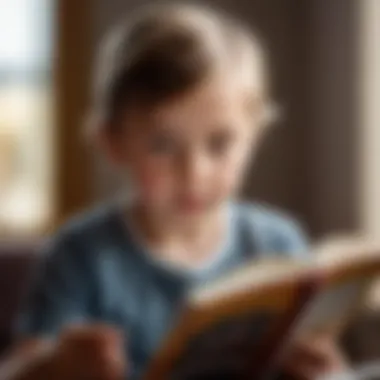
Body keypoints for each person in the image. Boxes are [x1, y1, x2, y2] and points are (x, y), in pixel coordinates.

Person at [0, 3, 346, 380]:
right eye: (163, 145)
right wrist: (55, 366)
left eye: (219, 144)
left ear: (255, 137)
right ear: (113, 141)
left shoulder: (280, 246)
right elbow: (18, 371)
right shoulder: (80, 256)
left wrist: (328, 372)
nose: (193, 173)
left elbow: (324, 363)